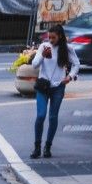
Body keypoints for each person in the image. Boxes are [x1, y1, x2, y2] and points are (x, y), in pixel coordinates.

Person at [29, 24, 74, 159]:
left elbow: (76, 64)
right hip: (43, 86)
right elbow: (34, 64)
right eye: (49, 37)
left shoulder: (67, 49)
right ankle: (37, 146)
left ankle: (48, 146)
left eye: (53, 37)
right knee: (41, 115)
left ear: (60, 36)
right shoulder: (44, 46)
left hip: (58, 87)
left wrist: (70, 77)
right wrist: (42, 56)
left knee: (53, 117)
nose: (51, 40)